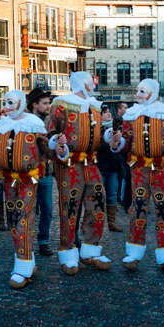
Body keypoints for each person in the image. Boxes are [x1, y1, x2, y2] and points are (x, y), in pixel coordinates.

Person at [111, 78, 164, 274]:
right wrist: (117, 143)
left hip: (162, 167)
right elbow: (126, 142)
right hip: (138, 169)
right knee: (136, 208)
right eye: (137, 91)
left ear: (153, 92)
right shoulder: (131, 115)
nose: (138, 95)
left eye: (143, 91)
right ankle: (134, 252)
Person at [46, 71, 113, 275]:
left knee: (97, 204)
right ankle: (68, 252)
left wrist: (109, 136)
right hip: (70, 163)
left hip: (91, 162)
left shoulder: (94, 106)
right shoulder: (61, 104)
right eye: (90, 82)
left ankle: (91, 250)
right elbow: (51, 131)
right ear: (81, 84)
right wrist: (56, 145)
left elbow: (98, 136)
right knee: (69, 207)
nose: (93, 84)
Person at [0, 90, 55, 289]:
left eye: (12, 102)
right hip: (8, 180)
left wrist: (57, 148)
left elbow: (46, 149)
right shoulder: (0, 127)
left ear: (21, 104)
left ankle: (23, 268)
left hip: (29, 179)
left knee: (23, 220)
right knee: (13, 220)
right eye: (6, 102)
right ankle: (28, 260)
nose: (8, 106)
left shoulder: (34, 125)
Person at [27, 88, 54, 256]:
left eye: (49, 103)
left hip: (46, 173)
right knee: (29, 209)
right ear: (34, 105)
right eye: (44, 103)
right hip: (30, 174)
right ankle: (27, 241)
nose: (48, 106)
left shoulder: (49, 121)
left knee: (48, 209)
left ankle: (43, 240)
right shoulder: (27, 122)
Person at [96, 104, 123, 232]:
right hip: (100, 166)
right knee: (97, 196)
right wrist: (107, 142)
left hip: (113, 166)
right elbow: (96, 148)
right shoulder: (95, 128)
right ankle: (93, 223)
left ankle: (111, 222)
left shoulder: (116, 128)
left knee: (112, 195)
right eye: (105, 112)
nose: (108, 114)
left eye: (109, 112)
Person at [115, 101, 131, 212]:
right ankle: (121, 198)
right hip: (120, 154)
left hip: (125, 154)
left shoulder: (128, 120)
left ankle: (123, 199)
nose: (127, 109)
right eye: (125, 107)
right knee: (123, 177)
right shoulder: (117, 121)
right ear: (119, 110)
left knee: (125, 177)